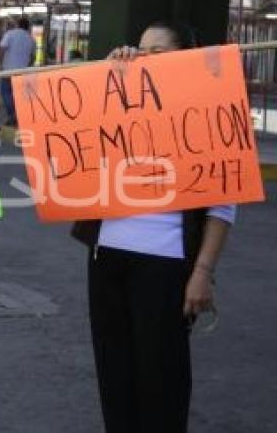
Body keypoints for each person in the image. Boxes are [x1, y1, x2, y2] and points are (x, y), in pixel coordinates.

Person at [71, 22, 236, 433]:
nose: (144, 58)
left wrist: (202, 272)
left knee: (162, 380)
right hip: (106, 258)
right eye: (140, 49)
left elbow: (222, 206)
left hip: (165, 266)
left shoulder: (208, 111)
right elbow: (76, 139)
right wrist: (103, 78)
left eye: (158, 52)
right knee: (115, 377)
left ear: (186, 57)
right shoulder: (118, 103)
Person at [0, 16, 36, 126]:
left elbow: (2, 49)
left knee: (5, 92)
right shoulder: (31, 39)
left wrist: (0, 64)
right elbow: (33, 58)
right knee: (17, 94)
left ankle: (13, 114)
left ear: (17, 24)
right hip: (22, 73)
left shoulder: (10, 34)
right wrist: (26, 66)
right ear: (28, 27)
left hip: (8, 70)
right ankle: (16, 115)